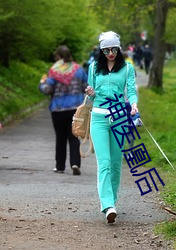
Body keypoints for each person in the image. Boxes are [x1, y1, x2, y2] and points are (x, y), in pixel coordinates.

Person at [85, 31, 138, 223]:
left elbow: (131, 90)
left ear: (119, 48)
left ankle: (112, 201)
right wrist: (90, 92)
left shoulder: (127, 68)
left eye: (114, 49)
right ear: (101, 50)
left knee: (116, 164)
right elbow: (91, 97)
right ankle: (107, 205)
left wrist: (133, 104)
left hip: (119, 118)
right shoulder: (93, 68)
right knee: (104, 163)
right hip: (98, 118)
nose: (110, 53)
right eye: (106, 50)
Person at [39, 45, 88, 175]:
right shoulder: (79, 70)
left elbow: (47, 90)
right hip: (75, 109)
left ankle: (60, 166)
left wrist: (42, 83)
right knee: (74, 137)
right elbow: (86, 87)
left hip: (58, 109)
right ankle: (75, 163)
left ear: (58, 57)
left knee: (60, 138)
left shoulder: (54, 71)